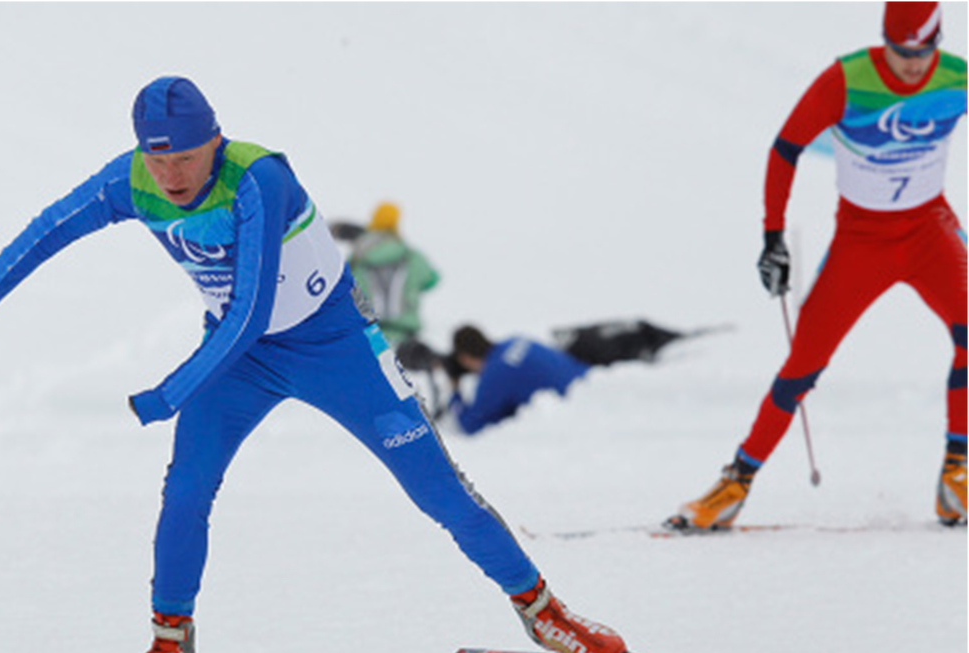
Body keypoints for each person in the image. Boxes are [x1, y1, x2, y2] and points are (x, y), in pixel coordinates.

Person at [0, 76, 626, 653]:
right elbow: (49, 228)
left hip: (335, 348)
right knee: (186, 491)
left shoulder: (258, 178)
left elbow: (250, 308)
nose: (172, 176)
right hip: (238, 358)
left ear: (215, 139)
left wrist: (170, 392)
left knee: (438, 492)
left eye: (186, 157)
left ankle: (546, 613)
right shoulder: (130, 181)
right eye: (158, 162)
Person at [667, 0, 969, 531]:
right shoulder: (847, 78)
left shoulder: (955, 78)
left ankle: (957, 476)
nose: (912, 66)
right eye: (901, 53)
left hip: (930, 232)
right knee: (802, 366)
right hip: (862, 243)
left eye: (922, 54)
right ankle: (734, 483)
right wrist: (773, 238)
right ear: (885, 41)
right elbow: (785, 149)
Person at [444, 321, 688, 435]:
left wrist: (454, 388)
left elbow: (470, 425)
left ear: (465, 358)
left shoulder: (494, 376)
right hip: (594, 382)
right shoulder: (516, 339)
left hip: (581, 411)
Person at [344, 202, 440, 348]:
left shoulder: (359, 255)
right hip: (406, 337)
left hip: (370, 333)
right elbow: (433, 280)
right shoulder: (410, 255)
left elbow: (345, 283)